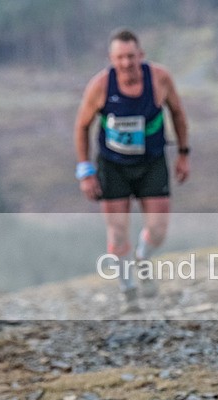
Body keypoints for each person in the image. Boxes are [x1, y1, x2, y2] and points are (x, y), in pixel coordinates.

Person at [74, 28, 190, 311]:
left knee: (159, 228)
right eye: (119, 58)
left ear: (141, 55)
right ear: (111, 59)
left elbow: (177, 112)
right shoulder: (101, 85)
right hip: (113, 166)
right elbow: (82, 125)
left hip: (151, 162)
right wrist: (85, 170)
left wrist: (184, 153)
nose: (126, 63)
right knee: (116, 233)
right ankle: (128, 290)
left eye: (130, 56)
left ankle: (143, 256)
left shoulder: (159, 78)